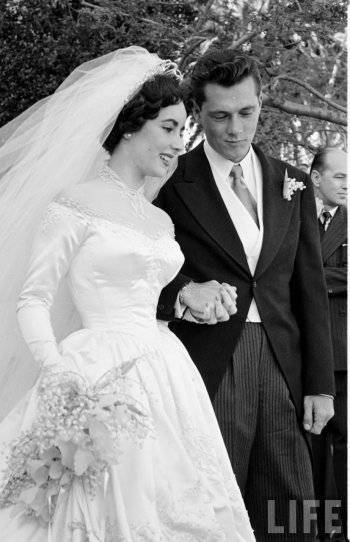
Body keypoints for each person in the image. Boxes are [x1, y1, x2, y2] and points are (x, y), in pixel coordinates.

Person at [0, 47, 254, 541]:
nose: (180, 144)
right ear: (132, 125)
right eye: (170, 128)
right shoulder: (74, 203)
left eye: (183, 131)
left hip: (166, 369)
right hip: (94, 370)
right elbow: (33, 298)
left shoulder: (158, 218)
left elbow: (147, 289)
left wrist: (188, 304)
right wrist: (56, 371)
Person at [155, 48, 335, 540]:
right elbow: (141, 270)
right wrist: (184, 292)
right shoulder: (171, 182)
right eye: (219, 116)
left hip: (284, 363)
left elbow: (309, 290)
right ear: (199, 113)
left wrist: (320, 384)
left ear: (261, 103)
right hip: (208, 362)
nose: (235, 129)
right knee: (214, 496)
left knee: (293, 505)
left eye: (246, 113)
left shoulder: (293, 183)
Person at [310, 148, 347, 541]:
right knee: (308, 444)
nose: (346, 185)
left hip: (341, 353)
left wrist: (309, 278)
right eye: (338, 176)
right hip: (299, 350)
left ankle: (343, 530)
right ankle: (312, 528)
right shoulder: (296, 215)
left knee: (344, 440)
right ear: (316, 178)